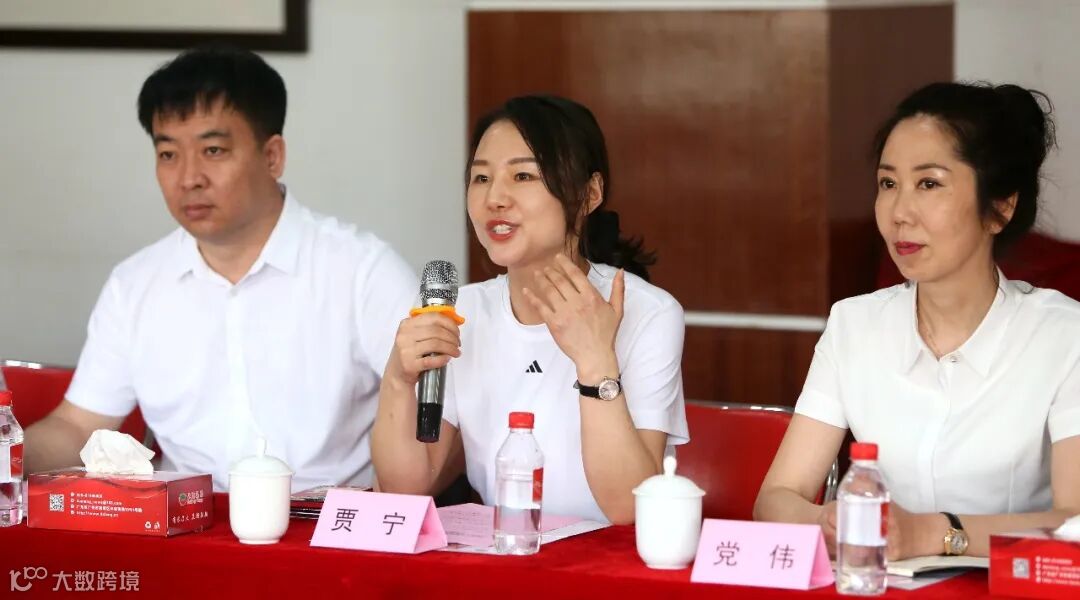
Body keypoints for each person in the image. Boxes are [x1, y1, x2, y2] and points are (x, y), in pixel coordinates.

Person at [24, 46, 417, 492]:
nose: (188, 177)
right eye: (168, 154)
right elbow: (78, 426)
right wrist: (12, 455)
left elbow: (437, 424)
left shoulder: (362, 272)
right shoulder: (134, 285)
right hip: (186, 521)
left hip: (327, 521)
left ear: (272, 156)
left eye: (213, 150)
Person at [755, 82, 1080, 558]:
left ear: (1000, 207)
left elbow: (1074, 519)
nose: (899, 213)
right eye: (888, 184)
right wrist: (824, 520)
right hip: (878, 583)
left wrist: (933, 534)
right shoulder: (854, 325)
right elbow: (777, 497)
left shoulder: (1064, 335)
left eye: (929, 184)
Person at [371, 95, 689, 524]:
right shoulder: (459, 311)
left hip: (602, 558)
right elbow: (402, 490)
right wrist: (397, 378)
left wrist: (595, 363)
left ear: (589, 193)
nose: (495, 198)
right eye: (481, 178)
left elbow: (629, 508)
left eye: (523, 175)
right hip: (502, 550)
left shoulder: (648, 313)